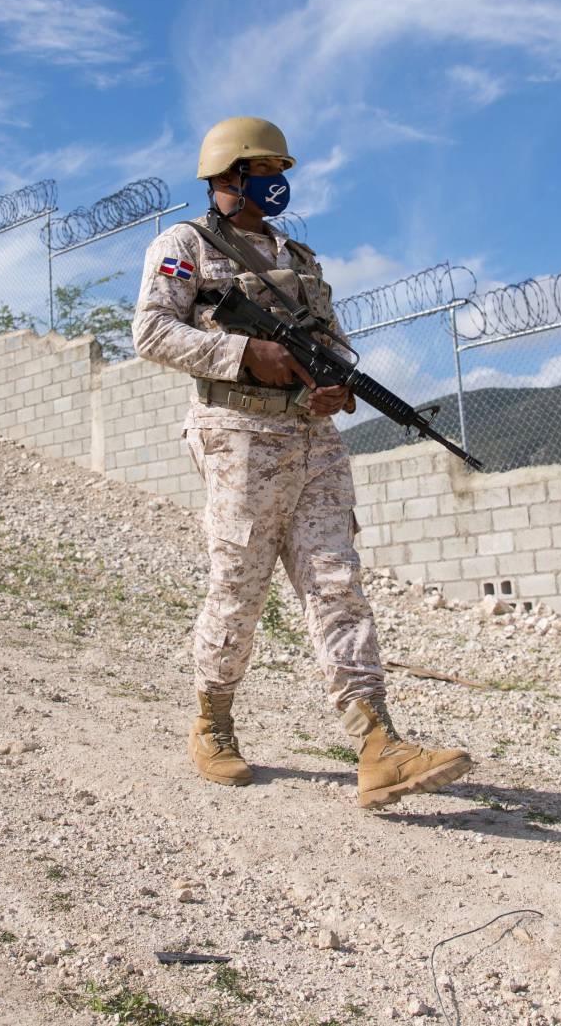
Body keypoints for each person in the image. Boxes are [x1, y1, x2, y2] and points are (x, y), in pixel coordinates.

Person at [131, 116, 472, 810]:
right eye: (262, 170)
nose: (275, 182)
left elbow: (334, 344)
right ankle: (212, 722)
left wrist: (337, 386)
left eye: (279, 170)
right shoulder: (183, 245)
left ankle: (378, 745)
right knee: (240, 585)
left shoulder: (301, 257)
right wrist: (242, 353)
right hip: (239, 436)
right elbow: (151, 330)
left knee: (337, 583)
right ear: (228, 175)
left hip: (313, 440)